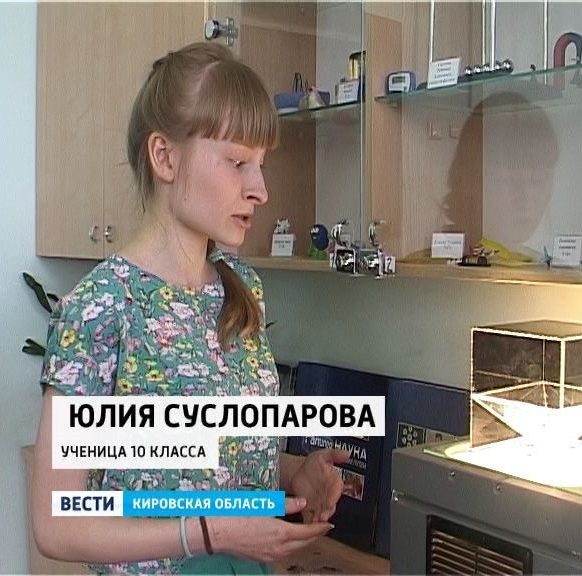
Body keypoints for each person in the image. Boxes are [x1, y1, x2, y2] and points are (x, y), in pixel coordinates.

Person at [32, 41, 349, 575]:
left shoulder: (241, 289)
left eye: (262, 164)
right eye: (238, 162)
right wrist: (207, 533)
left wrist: (294, 471)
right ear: (165, 157)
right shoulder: (101, 309)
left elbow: (216, 460)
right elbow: (55, 523)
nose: (260, 189)